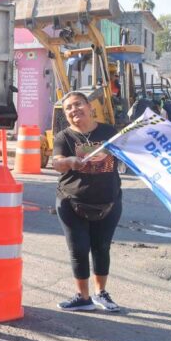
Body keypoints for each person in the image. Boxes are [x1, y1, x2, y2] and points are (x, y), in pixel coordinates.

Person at [51, 91, 123, 312]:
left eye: (78, 104)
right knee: (79, 249)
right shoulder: (64, 137)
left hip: (109, 202)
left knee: (101, 247)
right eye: (68, 108)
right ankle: (83, 297)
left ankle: (101, 293)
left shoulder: (109, 132)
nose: (74, 110)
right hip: (71, 202)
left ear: (90, 107)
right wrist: (70, 161)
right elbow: (56, 162)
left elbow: (128, 154)